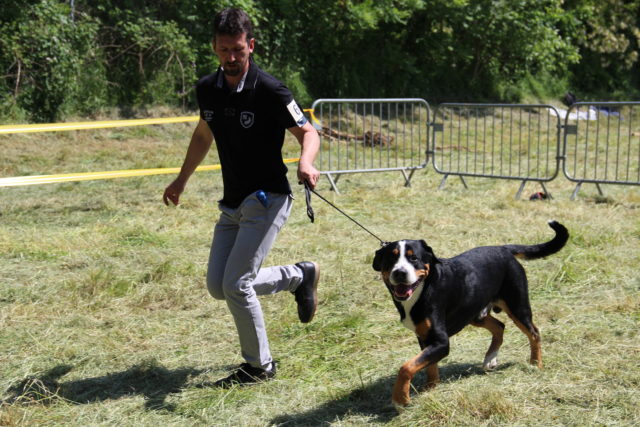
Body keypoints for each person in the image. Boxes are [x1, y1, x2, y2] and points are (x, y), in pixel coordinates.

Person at [163, 7, 321, 386]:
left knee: (236, 285)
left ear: (250, 46)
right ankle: (299, 276)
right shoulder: (208, 89)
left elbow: (309, 132)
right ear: (214, 49)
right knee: (219, 286)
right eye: (223, 50)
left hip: (268, 199)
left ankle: (260, 366)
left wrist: (306, 162)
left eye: (238, 50)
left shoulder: (270, 90)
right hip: (231, 203)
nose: (231, 58)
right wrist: (180, 181)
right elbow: (204, 135)